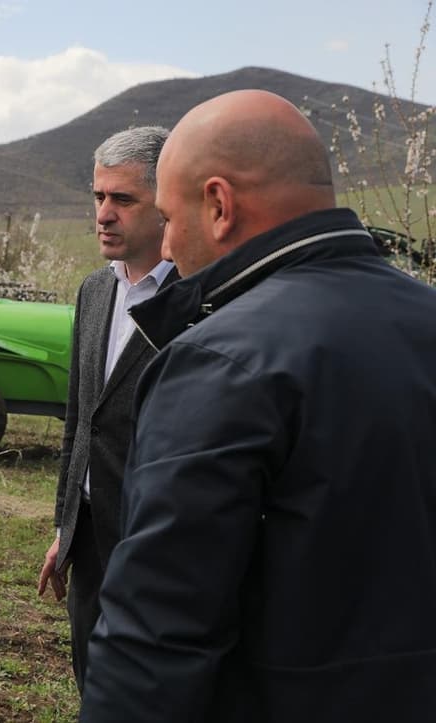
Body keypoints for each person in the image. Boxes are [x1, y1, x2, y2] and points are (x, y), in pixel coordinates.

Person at [79, 89, 436, 722]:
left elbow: (159, 631)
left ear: (218, 204)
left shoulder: (221, 360)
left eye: (169, 217)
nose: (166, 249)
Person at [36, 126, 176, 688]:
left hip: (158, 544)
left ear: (166, 204)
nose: (104, 214)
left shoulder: (200, 302)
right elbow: (80, 418)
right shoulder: (95, 291)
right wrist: (65, 529)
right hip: (91, 539)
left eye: (123, 200)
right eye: (98, 197)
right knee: (92, 679)